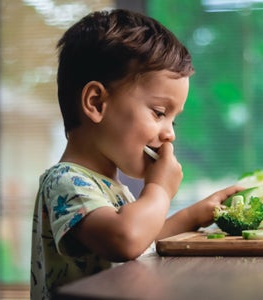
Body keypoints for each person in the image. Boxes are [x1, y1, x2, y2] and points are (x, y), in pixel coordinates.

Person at [30, 8, 243, 299]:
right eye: (159, 113)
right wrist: (159, 189)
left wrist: (194, 215)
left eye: (173, 119)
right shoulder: (64, 182)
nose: (170, 134)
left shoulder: (111, 189)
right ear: (96, 103)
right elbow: (126, 239)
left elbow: (145, 240)